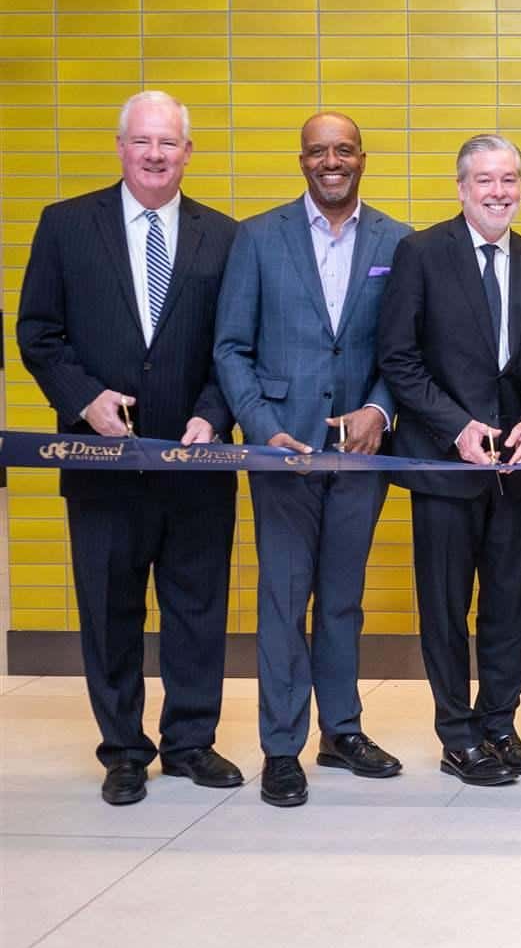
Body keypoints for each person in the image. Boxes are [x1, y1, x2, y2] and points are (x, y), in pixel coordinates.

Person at [17, 90, 242, 805]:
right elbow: (38, 332)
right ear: (120, 146)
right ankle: (122, 749)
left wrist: (212, 413)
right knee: (110, 608)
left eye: (168, 143)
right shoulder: (64, 226)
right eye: (142, 141)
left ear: (187, 151)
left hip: (196, 462)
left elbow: (235, 346)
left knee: (197, 609)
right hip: (101, 464)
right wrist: (84, 399)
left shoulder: (226, 237)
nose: (154, 154)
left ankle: (190, 742)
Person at [213, 112, 410, 806]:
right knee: (284, 598)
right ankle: (281, 746)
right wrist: (263, 428)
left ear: (363, 157)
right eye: (320, 151)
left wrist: (380, 410)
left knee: (343, 601)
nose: (333, 160)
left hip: (361, 453)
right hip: (283, 452)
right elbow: (231, 347)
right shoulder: (258, 238)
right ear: (302, 160)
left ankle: (343, 730)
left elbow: (406, 349)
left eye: (345, 150)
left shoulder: (398, 240)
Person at [377, 134, 521, 787]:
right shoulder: (421, 254)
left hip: (513, 470)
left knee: (509, 603)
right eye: (485, 180)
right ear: (461, 188)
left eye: (509, 178)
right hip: (443, 465)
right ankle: (458, 735)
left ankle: (500, 723)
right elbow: (398, 356)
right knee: (446, 606)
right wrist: (456, 428)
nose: (498, 191)